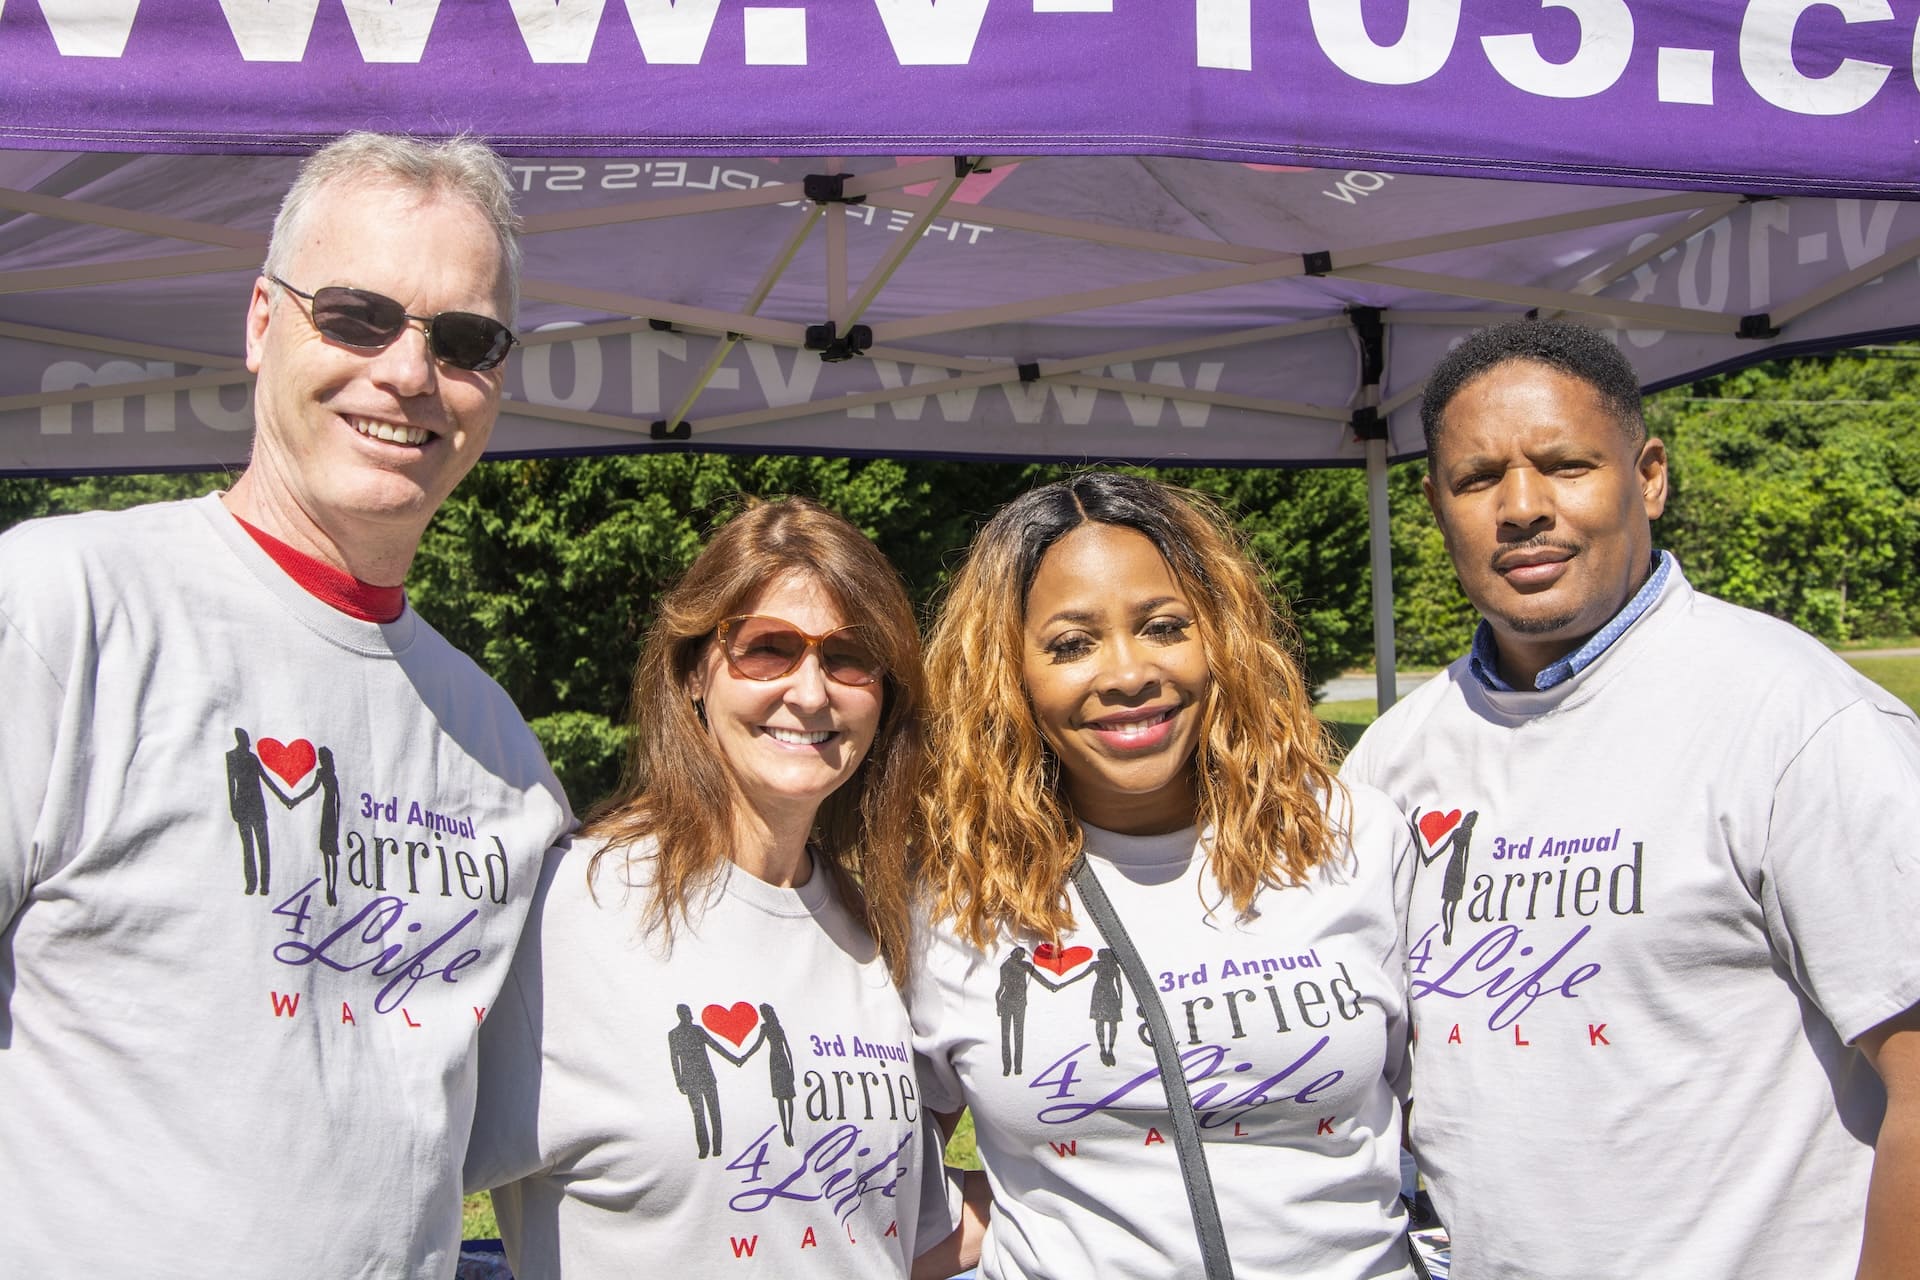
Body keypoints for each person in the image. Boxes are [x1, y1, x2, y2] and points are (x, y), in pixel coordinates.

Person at [0, 132, 570, 1275]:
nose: (408, 372)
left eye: (464, 340)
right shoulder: (61, 610)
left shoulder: (503, 754)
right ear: (263, 322)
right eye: (358, 316)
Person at [1342, 318, 1920, 1280]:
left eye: (1565, 466)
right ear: (1436, 504)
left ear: (1648, 476)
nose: (1522, 508)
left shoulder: (1797, 720)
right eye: (1478, 479)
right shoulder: (1393, 762)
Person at [910, 471, 1417, 1279]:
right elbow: (874, 1177)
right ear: (1010, 674)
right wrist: (1014, 1222)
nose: (1127, 673)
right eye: (1071, 645)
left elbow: (1451, 1120)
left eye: (1164, 627)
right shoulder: (952, 896)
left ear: (1221, 636)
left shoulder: (1353, 839)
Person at [466, 497, 952, 1279]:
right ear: (694, 670)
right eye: (768, 649)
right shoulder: (567, 910)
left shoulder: (872, 927)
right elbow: (393, 1177)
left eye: (850, 656)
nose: (811, 692)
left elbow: (872, 1232)